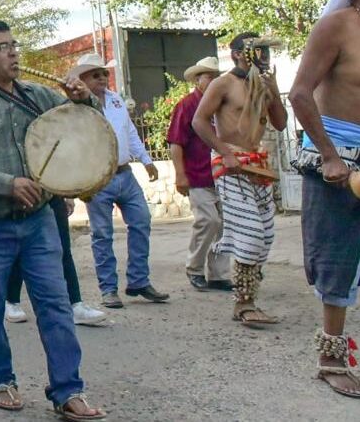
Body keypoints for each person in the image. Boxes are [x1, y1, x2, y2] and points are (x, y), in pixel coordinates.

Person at [0, 20, 106, 420]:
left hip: (38, 222)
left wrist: (85, 101)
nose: (13, 53)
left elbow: (84, 128)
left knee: (55, 305)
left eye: (14, 45)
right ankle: (0, 379)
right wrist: (4, 183)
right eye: (1, 47)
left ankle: (68, 390)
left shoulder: (42, 96)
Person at [288, 0, 360, 398]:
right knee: (336, 262)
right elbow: (301, 94)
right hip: (338, 162)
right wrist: (328, 156)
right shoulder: (336, 27)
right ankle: (331, 359)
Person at [192, 32, 287, 327]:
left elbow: (281, 123)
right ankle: (244, 303)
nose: (263, 57)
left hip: (256, 165)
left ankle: (245, 291)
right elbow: (199, 120)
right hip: (230, 164)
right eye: (257, 51)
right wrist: (225, 152)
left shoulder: (261, 84)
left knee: (266, 235)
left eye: (265, 52)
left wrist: (273, 90)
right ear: (236, 54)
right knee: (251, 233)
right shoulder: (222, 84)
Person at [73, 54, 168, 309]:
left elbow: (130, 131)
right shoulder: (76, 108)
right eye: (95, 75)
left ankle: (138, 280)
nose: (102, 78)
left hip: (125, 173)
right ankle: (109, 289)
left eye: (104, 73)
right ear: (82, 79)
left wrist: (146, 160)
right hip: (97, 177)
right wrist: (82, 182)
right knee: (102, 234)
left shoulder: (116, 101)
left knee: (141, 221)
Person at [167, 56, 231, 291]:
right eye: (209, 76)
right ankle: (194, 267)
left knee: (224, 225)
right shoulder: (186, 105)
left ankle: (218, 273)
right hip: (198, 175)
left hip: (222, 175)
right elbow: (176, 142)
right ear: (197, 79)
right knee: (208, 221)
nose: (213, 80)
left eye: (216, 76)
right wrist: (180, 174)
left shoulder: (222, 104)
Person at [4, 195, 107, 326]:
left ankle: (75, 305)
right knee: (21, 246)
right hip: (22, 191)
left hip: (52, 193)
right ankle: (12, 301)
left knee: (62, 248)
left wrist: (68, 195)